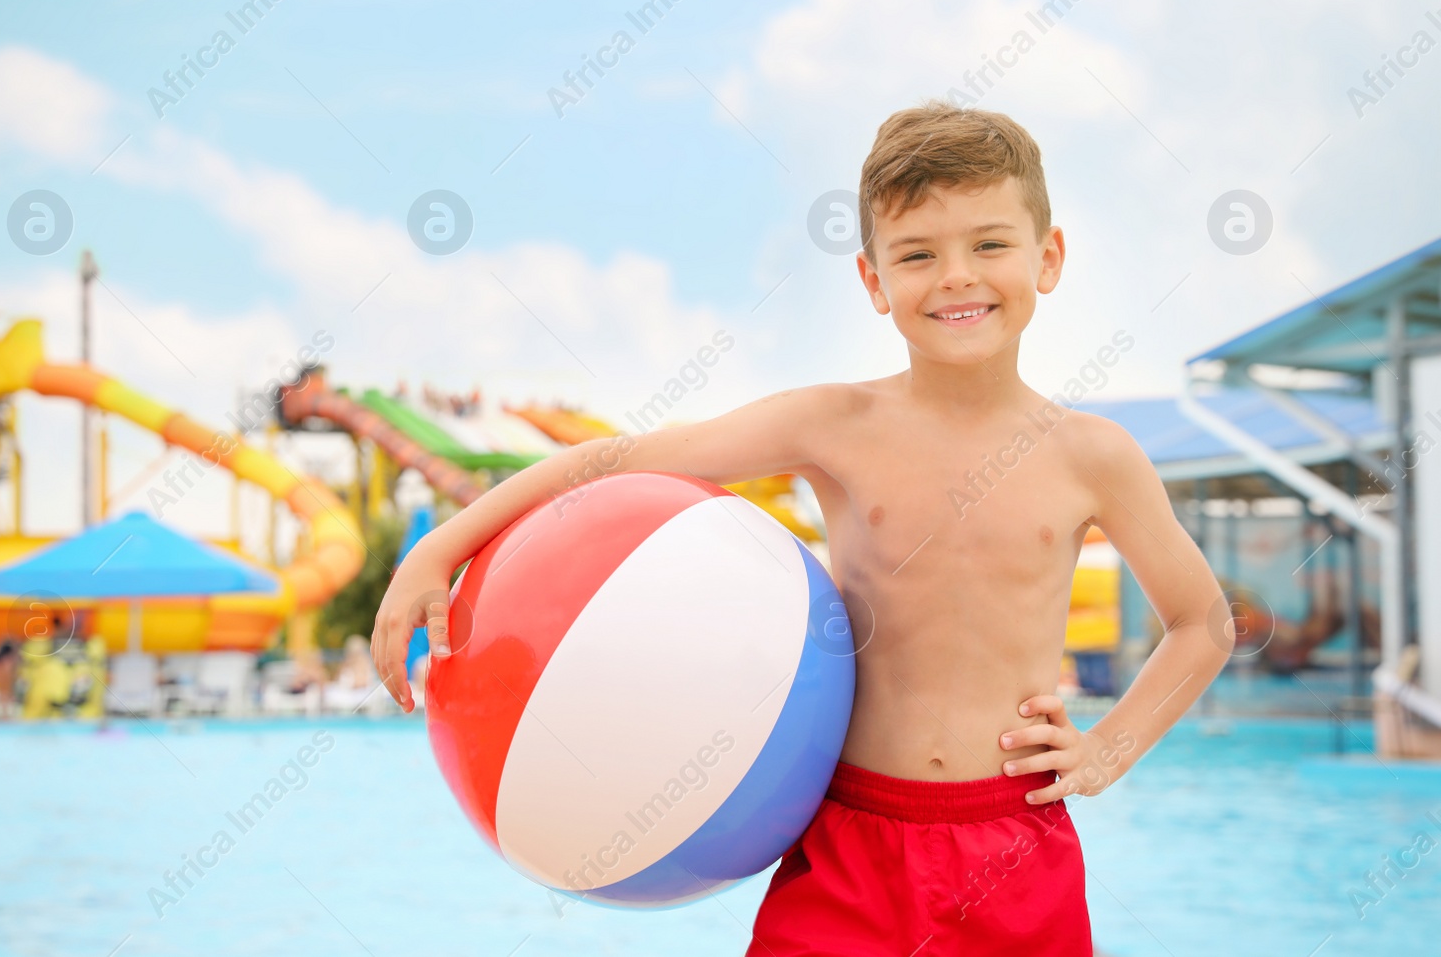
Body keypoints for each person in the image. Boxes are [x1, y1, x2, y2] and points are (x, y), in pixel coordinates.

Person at [373, 100, 1233, 955]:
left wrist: (1110, 748)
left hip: (1013, 844)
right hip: (849, 842)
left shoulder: (1094, 456)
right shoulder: (836, 425)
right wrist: (438, 549)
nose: (957, 276)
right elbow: (626, 458)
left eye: (990, 244)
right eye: (918, 254)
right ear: (873, 280)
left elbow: (1202, 622)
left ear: (1047, 258)